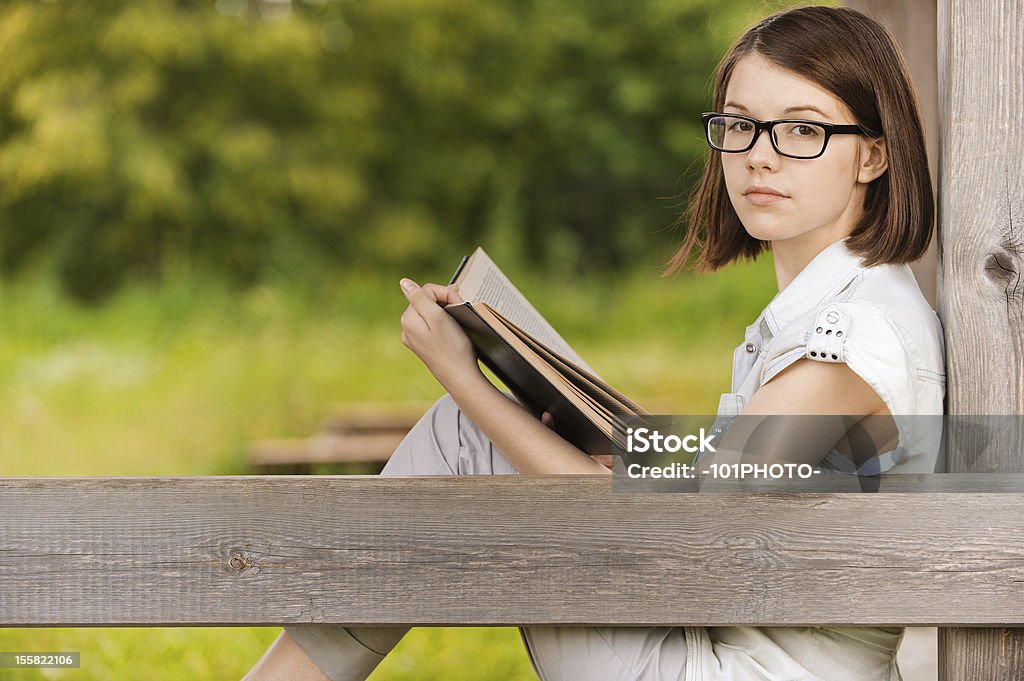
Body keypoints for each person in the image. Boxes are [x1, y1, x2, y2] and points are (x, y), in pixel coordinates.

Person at [242, 5, 944, 680]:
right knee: (534, 437)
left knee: (468, 432)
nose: (760, 157)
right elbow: (727, 490)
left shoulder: (849, 337)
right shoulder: (838, 307)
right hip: (733, 646)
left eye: (801, 131)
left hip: (735, 668)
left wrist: (466, 379)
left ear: (874, 156)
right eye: (740, 125)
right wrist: (612, 437)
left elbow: (672, 538)